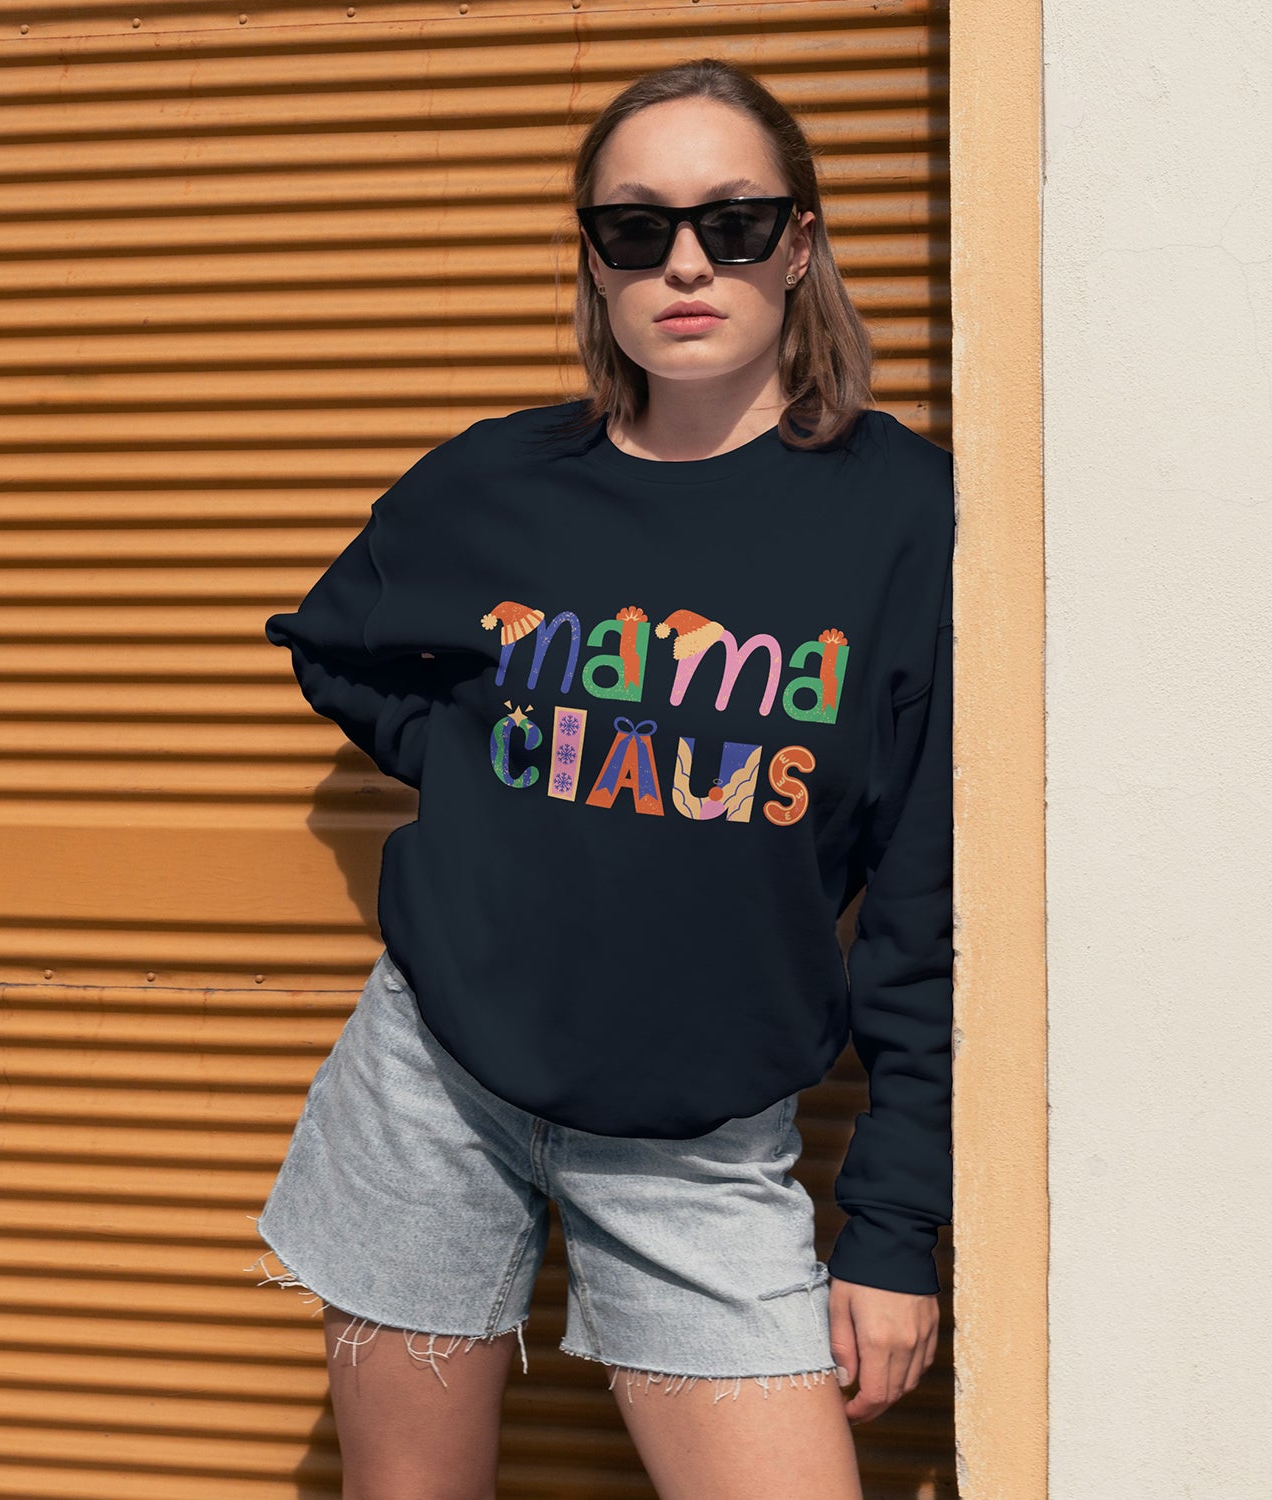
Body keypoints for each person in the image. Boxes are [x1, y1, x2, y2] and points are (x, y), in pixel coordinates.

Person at [246, 56, 954, 1500]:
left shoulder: (904, 517)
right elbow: (338, 645)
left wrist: (892, 1230)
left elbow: (925, 908)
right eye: (636, 227)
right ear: (595, 260)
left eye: (733, 222)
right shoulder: (496, 482)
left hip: (703, 1139)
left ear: (800, 243)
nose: (686, 263)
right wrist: (485, 771)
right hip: (433, 1084)